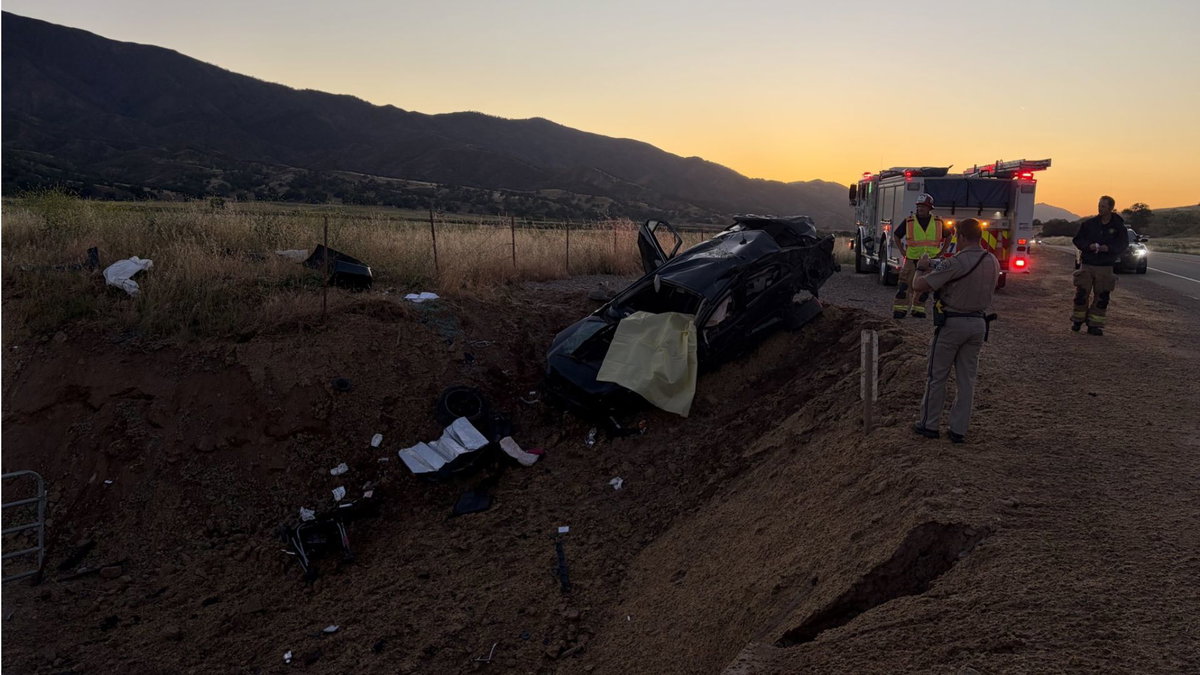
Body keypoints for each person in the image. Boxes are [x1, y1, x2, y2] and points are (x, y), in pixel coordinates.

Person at [909, 218, 999, 444]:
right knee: (966, 379)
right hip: (978, 324)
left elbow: (918, 286)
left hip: (953, 324)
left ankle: (928, 425)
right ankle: (958, 430)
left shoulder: (956, 262)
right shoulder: (992, 260)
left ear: (961, 236)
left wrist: (921, 267)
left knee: (937, 376)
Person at [1070, 196, 1128, 336]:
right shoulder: (1089, 224)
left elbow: (1123, 244)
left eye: (1103, 206)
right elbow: (1077, 240)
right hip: (1088, 264)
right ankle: (1077, 321)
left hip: (1105, 266)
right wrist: (1087, 246)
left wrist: (1108, 248)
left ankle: (1094, 325)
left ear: (1111, 208)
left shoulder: (1119, 227)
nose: (1100, 208)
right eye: (1099, 205)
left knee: (1102, 297)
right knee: (1081, 294)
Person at [892, 193, 951, 319]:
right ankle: (900, 309)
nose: (920, 209)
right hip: (912, 258)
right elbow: (897, 235)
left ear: (930, 208)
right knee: (904, 285)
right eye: (918, 206)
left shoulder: (938, 222)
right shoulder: (909, 221)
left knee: (924, 287)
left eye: (923, 206)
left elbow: (949, 235)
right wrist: (902, 250)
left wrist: (941, 252)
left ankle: (918, 309)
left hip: (929, 260)